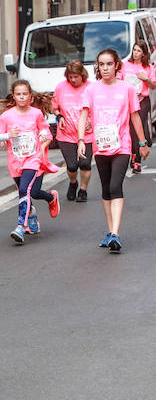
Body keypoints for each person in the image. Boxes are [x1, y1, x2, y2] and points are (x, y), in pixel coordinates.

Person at [77, 48, 150, 253]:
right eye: (102, 64)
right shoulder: (91, 90)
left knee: (116, 185)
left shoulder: (126, 88)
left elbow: (135, 117)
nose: (106, 68)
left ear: (117, 65)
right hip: (101, 147)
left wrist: (143, 144)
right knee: (106, 189)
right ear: (98, 67)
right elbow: (84, 115)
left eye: (109, 64)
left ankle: (116, 233)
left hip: (122, 146)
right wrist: (81, 140)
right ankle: (110, 232)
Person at [0, 80, 60, 245]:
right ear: (14, 96)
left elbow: (45, 130)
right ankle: (45, 203)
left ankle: (20, 226)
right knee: (28, 192)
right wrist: (8, 135)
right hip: (15, 160)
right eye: (18, 94)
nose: (22, 97)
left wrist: (44, 136)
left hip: (33, 159)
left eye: (25, 94)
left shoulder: (36, 113)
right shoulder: (7, 116)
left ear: (30, 97)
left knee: (25, 189)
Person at [51, 61, 93, 202]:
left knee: (85, 164)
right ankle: (73, 183)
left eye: (75, 76)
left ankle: (83, 190)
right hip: (66, 134)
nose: (73, 80)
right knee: (72, 166)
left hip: (87, 135)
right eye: (70, 77)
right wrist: (59, 115)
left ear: (82, 75)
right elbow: (54, 107)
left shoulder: (91, 88)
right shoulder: (61, 87)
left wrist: (91, 120)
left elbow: (98, 108)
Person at [118, 40, 156, 173]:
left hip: (141, 100)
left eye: (139, 51)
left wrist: (146, 79)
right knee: (127, 129)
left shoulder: (148, 67)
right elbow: (118, 81)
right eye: (134, 50)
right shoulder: (125, 65)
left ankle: (136, 160)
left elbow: (153, 86)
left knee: (137, 130)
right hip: (126, 102)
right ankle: (130, 155)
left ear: (144, 53)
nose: (135, 53)